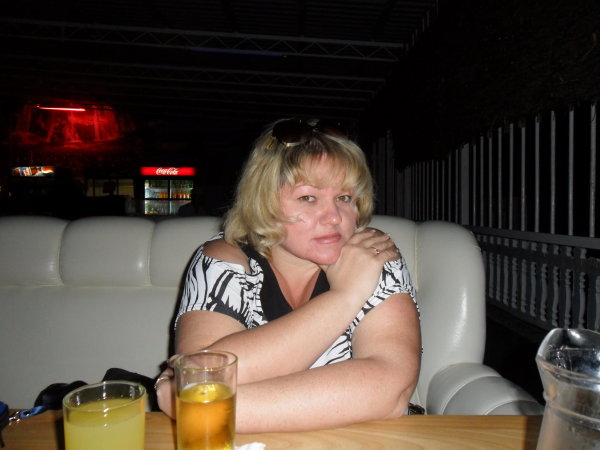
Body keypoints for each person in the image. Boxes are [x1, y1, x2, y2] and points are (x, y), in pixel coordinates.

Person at [156, 118, 421, 433]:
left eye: (345, 198)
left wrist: (200, 408)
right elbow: (201, 375)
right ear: (264, 201)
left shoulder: (372, 255)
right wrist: (345, 296)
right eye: (308, 197)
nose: (334, 217)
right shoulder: (224, 262)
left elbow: (391, 390)